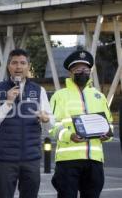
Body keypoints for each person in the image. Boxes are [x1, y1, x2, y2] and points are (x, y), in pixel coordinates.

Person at [0, 48, 54, 198]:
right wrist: (8, 103)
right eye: (14, 63)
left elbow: (50, 125)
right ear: (8, 66)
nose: (18, 67)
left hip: (31, 159)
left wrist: (46, 120)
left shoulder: (38, 90)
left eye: (23, 63)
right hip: (6, 159)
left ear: (28, 67)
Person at [49, 50, 113, 198]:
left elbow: (108, 123)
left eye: (85, 69)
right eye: (78, 69)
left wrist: (107, 135)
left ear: (90, 71)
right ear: (70, 72)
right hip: (67, 161)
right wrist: (69, 135)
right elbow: (51, 126)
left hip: (94, 161)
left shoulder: (99, 96)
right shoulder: (60, 96)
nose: (82, 72)